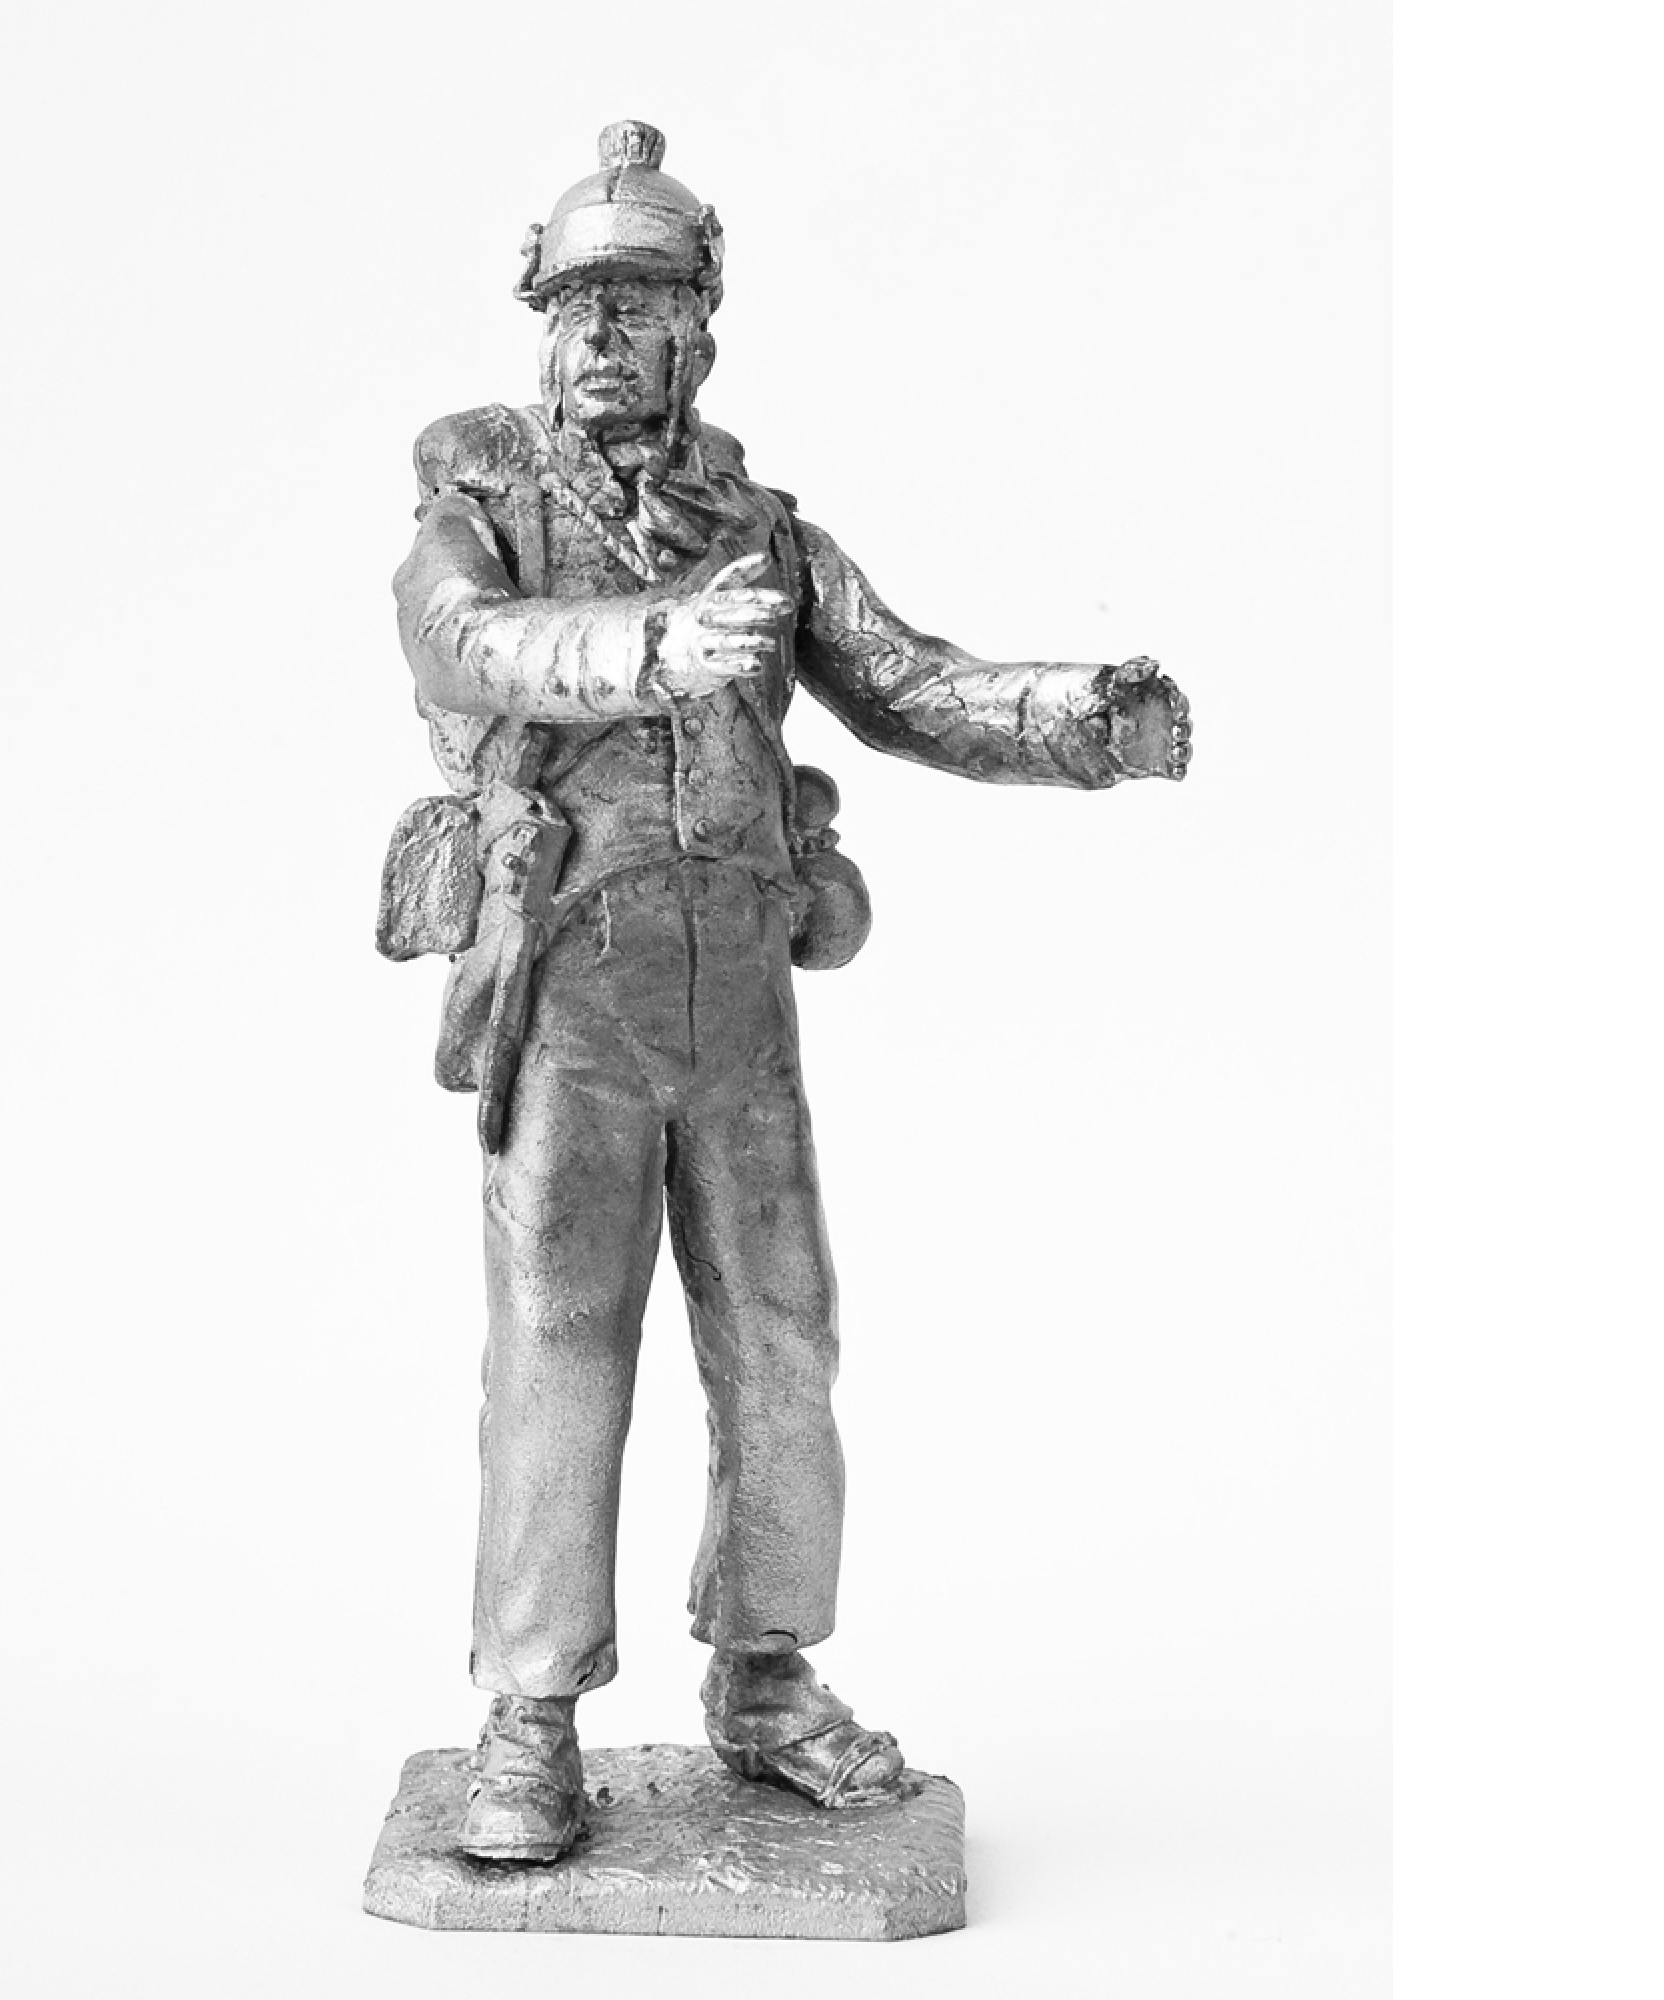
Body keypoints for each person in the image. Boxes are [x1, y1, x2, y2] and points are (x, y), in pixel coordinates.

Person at [381, 120, 1190, 1862]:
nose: (606, 335)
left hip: (742, 998)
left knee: (783, 1340)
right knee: (561, 1345)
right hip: (574, 990)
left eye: (641, 304)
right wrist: (652, 650)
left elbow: (908, 685)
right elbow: (461, 641)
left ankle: (765, 1675)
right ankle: (529, 1711)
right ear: (542, 327)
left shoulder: (764, 535)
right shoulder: (483, 514)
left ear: (700, 330)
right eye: (579, 306)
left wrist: (1078, 718)